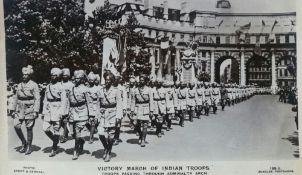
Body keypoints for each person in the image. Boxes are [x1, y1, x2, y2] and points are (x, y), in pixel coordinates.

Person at [11, 65, 40, 155]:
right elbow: (16, 98)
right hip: (20, 109)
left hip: (29, 108)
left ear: (29, 76)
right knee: (16, 126)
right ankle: (24, 142)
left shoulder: (34, 85)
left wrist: (36, 110)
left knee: (29, 127)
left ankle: (29, 146)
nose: (24, 76)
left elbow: (37, 98)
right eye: (23, 75)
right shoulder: (19, 85)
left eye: (26, 75)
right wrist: (13, 109)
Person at [42, 68, 67, 157]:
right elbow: (45, 100)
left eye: (54, 75)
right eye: (52, 75)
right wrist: (44, 111)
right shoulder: (48, 86)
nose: (52, 77)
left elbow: (64, 101)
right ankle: (55, 141)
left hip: (57, 109)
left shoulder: (61, 87)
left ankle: (54, 148)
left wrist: (61, 112)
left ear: (58, 77)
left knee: (56, 129)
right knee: (45, 128)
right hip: (49, 109)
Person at [98, 72, 122, 162]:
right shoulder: (101, 90)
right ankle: (106, 147)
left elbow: (119, 104)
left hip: (112, 114)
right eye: (106, 80)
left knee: (110, 136)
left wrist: (118, 116)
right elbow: (98, 104)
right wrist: (97, 115)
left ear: (112, 81)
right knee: (100, 133)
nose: (107, 81)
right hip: (103, 114)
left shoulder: (116, 91)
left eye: (109, 80)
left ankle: (108, 152)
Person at [68, 70, 92, 160]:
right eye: (75, 78)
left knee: (78, 130)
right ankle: (81, 141)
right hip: (72, 111)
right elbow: (68, 101)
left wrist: (91, 115)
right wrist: (66, 112)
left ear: (82, 79)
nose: (76, 79)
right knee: (72, 133)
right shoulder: (72, 88)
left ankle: (75, 151)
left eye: (78, 78)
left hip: (82, 111)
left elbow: (89, 103)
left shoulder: (86, 89)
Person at [131, 75, 154, 147]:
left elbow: (151, 101)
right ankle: (140, 135)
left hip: (145, 108)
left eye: (143, 80)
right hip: (137, 108)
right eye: (140, 80)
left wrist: (151, 110)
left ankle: (143, 139)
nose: (141, 81)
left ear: (145, 81)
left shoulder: (149, 89)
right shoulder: (135, 90)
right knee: (136, 124)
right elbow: (133, 100)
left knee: (145, 125)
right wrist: (132, 110)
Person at [60, 68, 74, 143]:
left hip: (68, 103)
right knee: (60, 119)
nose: (64, 76)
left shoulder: (71, 85)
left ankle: (65, 135)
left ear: (68, 76)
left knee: (65, 119)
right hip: (60, 103)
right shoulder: (60, 84)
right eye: (63, 75)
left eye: (66, 75)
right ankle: (68, 131)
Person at [86, 72, 100, 144]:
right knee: (86, 122)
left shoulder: (97, 89)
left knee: (93, 123)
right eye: (89, 80)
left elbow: (98, 100)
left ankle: (91, 137)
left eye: (92, 80)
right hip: (87, 107)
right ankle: (93, 130)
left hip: (94, 107)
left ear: (94, 81)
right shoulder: (86, 89)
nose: (90, 81)